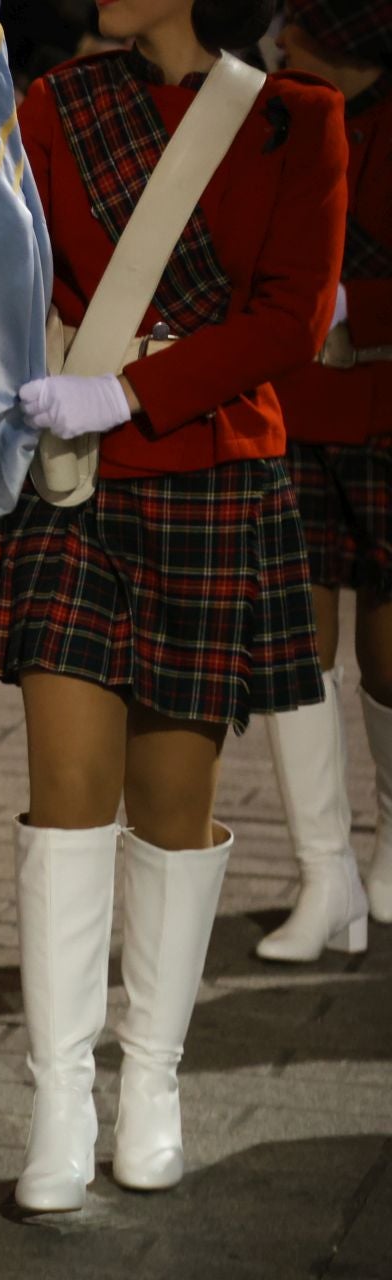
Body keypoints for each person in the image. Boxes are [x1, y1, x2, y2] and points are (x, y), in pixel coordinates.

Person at [0, 0, 345, 1212]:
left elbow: (289, 320)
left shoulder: (299, 118)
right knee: (65, 804)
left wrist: (128, 389)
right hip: (74, 492)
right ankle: (56, 1098)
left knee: (169, 810)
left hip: (213, 476)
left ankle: (153, 1082)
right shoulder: (55, 104)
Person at [257, 1, 392, 955]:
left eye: (295, 28)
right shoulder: (279, 114)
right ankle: (325, 872)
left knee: (388, 649)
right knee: (296, 646)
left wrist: (344, 298)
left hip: (386, 411)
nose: (276, 41)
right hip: (294, 409)